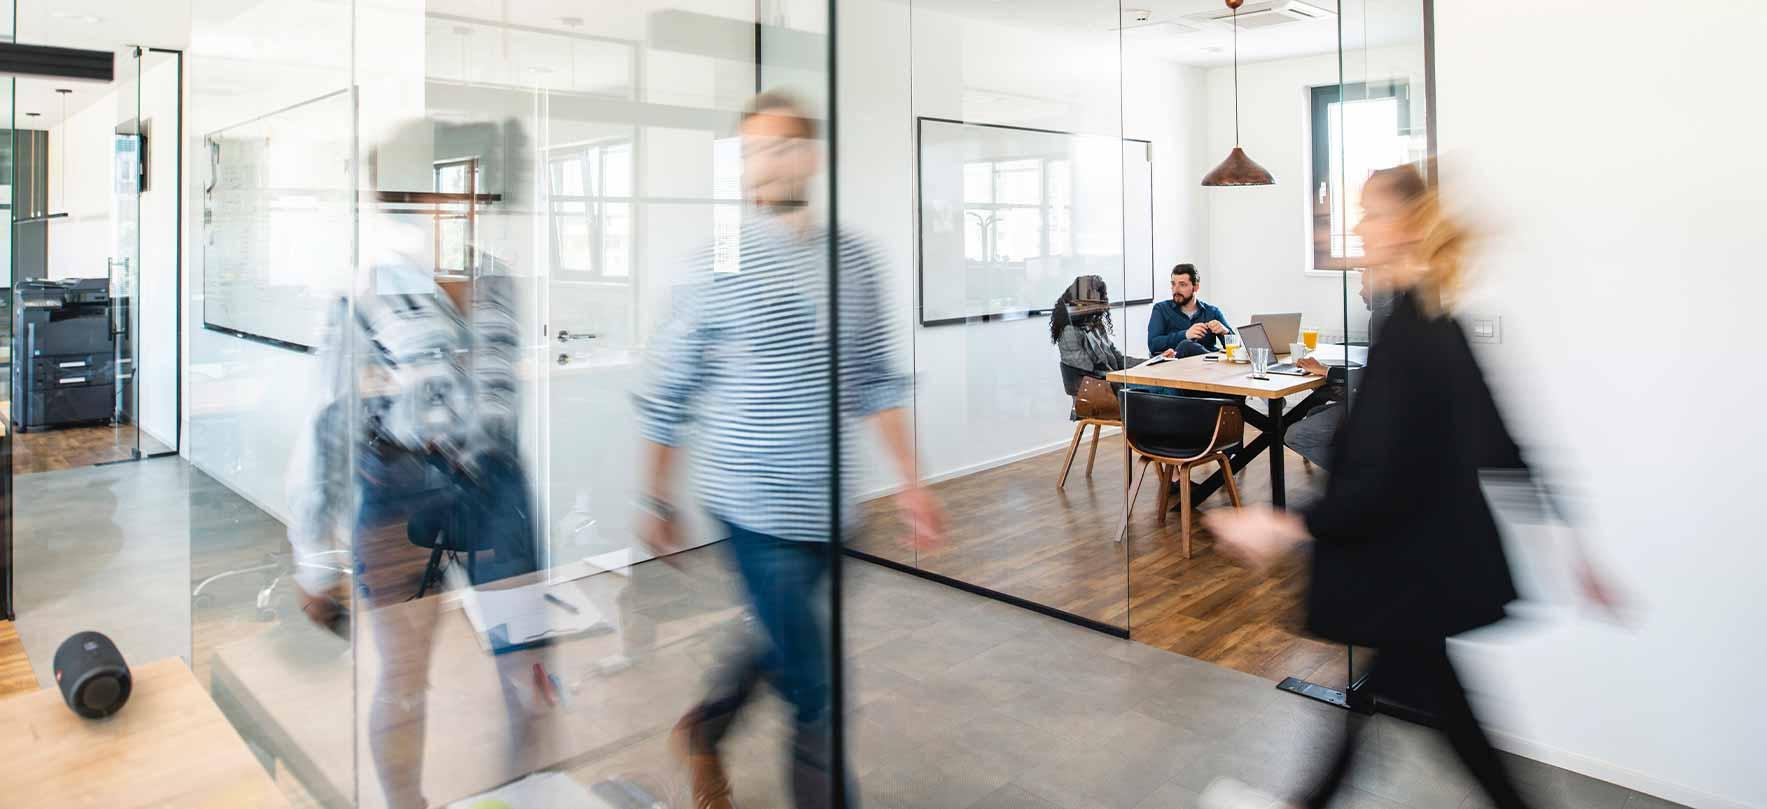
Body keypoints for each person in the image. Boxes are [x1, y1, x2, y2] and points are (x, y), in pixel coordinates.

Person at [1200, 165, 1611, 809]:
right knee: (1425, 711)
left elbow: (1387, 476)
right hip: (1422, 566)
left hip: (1410, 567)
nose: (1360, 225)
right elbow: (1498, 440)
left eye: (1371, 212)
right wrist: (1570, 540)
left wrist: (1284, 523)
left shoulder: (1411, 331)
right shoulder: (1431, 322)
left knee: (1429, 714)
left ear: (1409, 226)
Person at [633, 90, 945, 809]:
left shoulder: (854, 258)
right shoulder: (717, 257)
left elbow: (875, 378)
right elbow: (668, 388)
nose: (759, 166)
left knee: (775, 641)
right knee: (818, 688)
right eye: (747, 153)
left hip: (832, 509)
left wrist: (911, 481)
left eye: (775, 148)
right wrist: (653, 494)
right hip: (750, 503)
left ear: (810, 157)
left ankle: (705, 726)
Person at [1052, 275, 1172, 376]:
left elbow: (1119, 360)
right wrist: (1123, 376)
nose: (1100, 304)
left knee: (1165, 380)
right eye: (1095, 299)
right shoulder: (1070, 333)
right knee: (1165, 388)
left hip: (1116, 380)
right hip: (1100, 390)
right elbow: (1089, 373)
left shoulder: (1095, 327)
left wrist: (1155, 361)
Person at [1146, 263, 1232, 357]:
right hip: (1175, 368)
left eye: (1182, 285)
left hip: (1208, 368)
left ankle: (1212, 358)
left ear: (1196, 287)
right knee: (1186, 345)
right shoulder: (1161, 309)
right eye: (1173, 284)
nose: (1176, 290)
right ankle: (1212, 358)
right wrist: (1185, 334)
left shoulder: (1212, 312)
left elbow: (1238, 349)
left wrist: (1225, 332)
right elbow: (1153, 344)